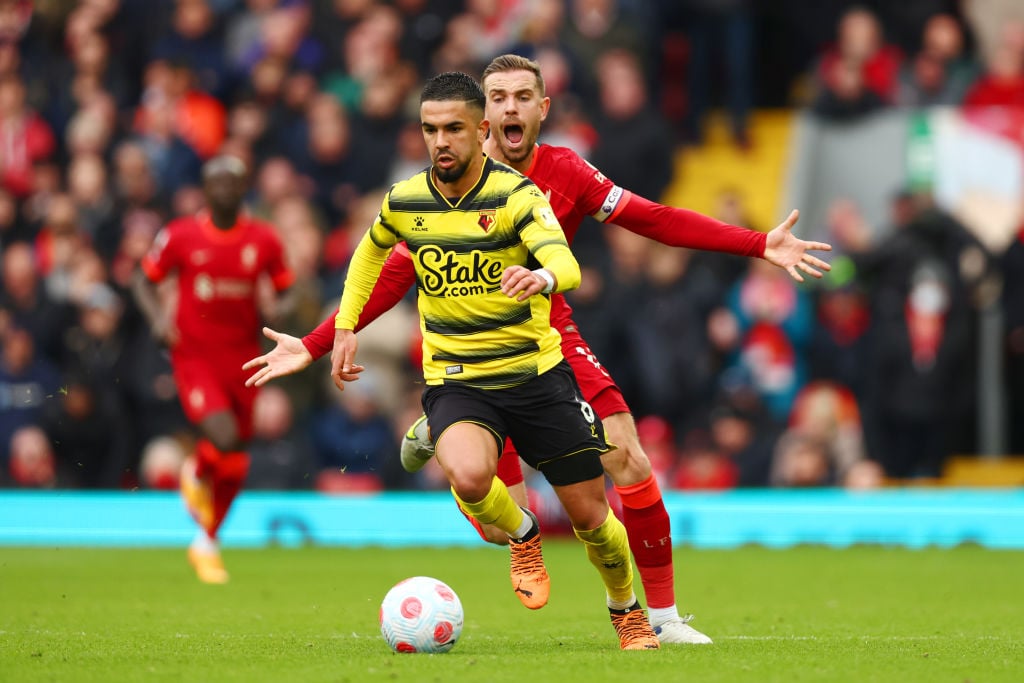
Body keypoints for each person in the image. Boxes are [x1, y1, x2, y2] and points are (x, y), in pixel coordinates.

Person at [243, 54, 832, 644]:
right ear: (482, 114)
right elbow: (394, 272)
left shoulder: (565, 172)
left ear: (542, 108)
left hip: (547, 340)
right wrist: (318, 343)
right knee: (498, 526)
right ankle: (452, 432)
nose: (509, 108)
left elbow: (653, 220)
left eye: (522, 97)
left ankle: (659, 618)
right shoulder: (446, 182)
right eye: (497, 97)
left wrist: (758, 244)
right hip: (468, 358)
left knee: (628, 458)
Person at [331, 71, 659, 651]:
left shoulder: (517, 195)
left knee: (593, 522)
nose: (441, 142)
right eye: (430, 130)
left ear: (480, 129)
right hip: (460, 380)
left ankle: (625, 607)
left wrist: (543, 275)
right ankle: (524, 534)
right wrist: (344, 326)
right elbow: (368, 256)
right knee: (468, 474)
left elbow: (569, 263)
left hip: (537, 376)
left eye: (454, 129)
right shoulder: (405, 200)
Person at [132, 154, 294, 584]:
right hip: (196, 356)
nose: (224, 188)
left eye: (232, 181)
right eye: (216, 181)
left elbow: (289, 289)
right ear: (204, 189)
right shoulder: (181, 235)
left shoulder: (264, 240)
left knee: (237, 458)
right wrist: (157, 321)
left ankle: (207, 541)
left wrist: (277, 310)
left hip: (244, 358)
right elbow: (142, 280)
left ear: (244, 189)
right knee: (222, 436)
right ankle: (196, 470)